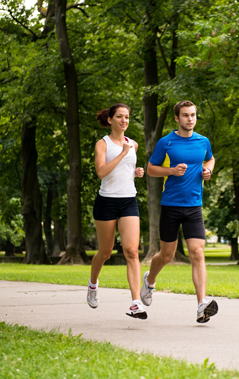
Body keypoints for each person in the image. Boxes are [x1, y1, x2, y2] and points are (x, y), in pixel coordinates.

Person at [141, 100, 217, 323]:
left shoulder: (203, 141)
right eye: (185, 115)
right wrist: (171, 171)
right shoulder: (166, 142)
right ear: (177, 118)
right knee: (167, 255)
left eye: (193, 115)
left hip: (194, 206)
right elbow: (151, 169)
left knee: (197, 253)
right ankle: (150, 280)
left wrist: (208, 170)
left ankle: (201, 305)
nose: (190, 119)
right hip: (171, 206)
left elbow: (210, 158)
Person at [87, 103, 147, 319]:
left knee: (132, 251)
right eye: (120, 117)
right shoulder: (102, 144)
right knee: (105, 252)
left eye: (127, 117)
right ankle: (93, 284)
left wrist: (136, 172)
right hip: (106, 202)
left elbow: (126, 171)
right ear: (110, 120)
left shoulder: (134, 144)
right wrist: (122, 154)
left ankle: (136, 302)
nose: (124, 120)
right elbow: (101, 172)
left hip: (128, 201)